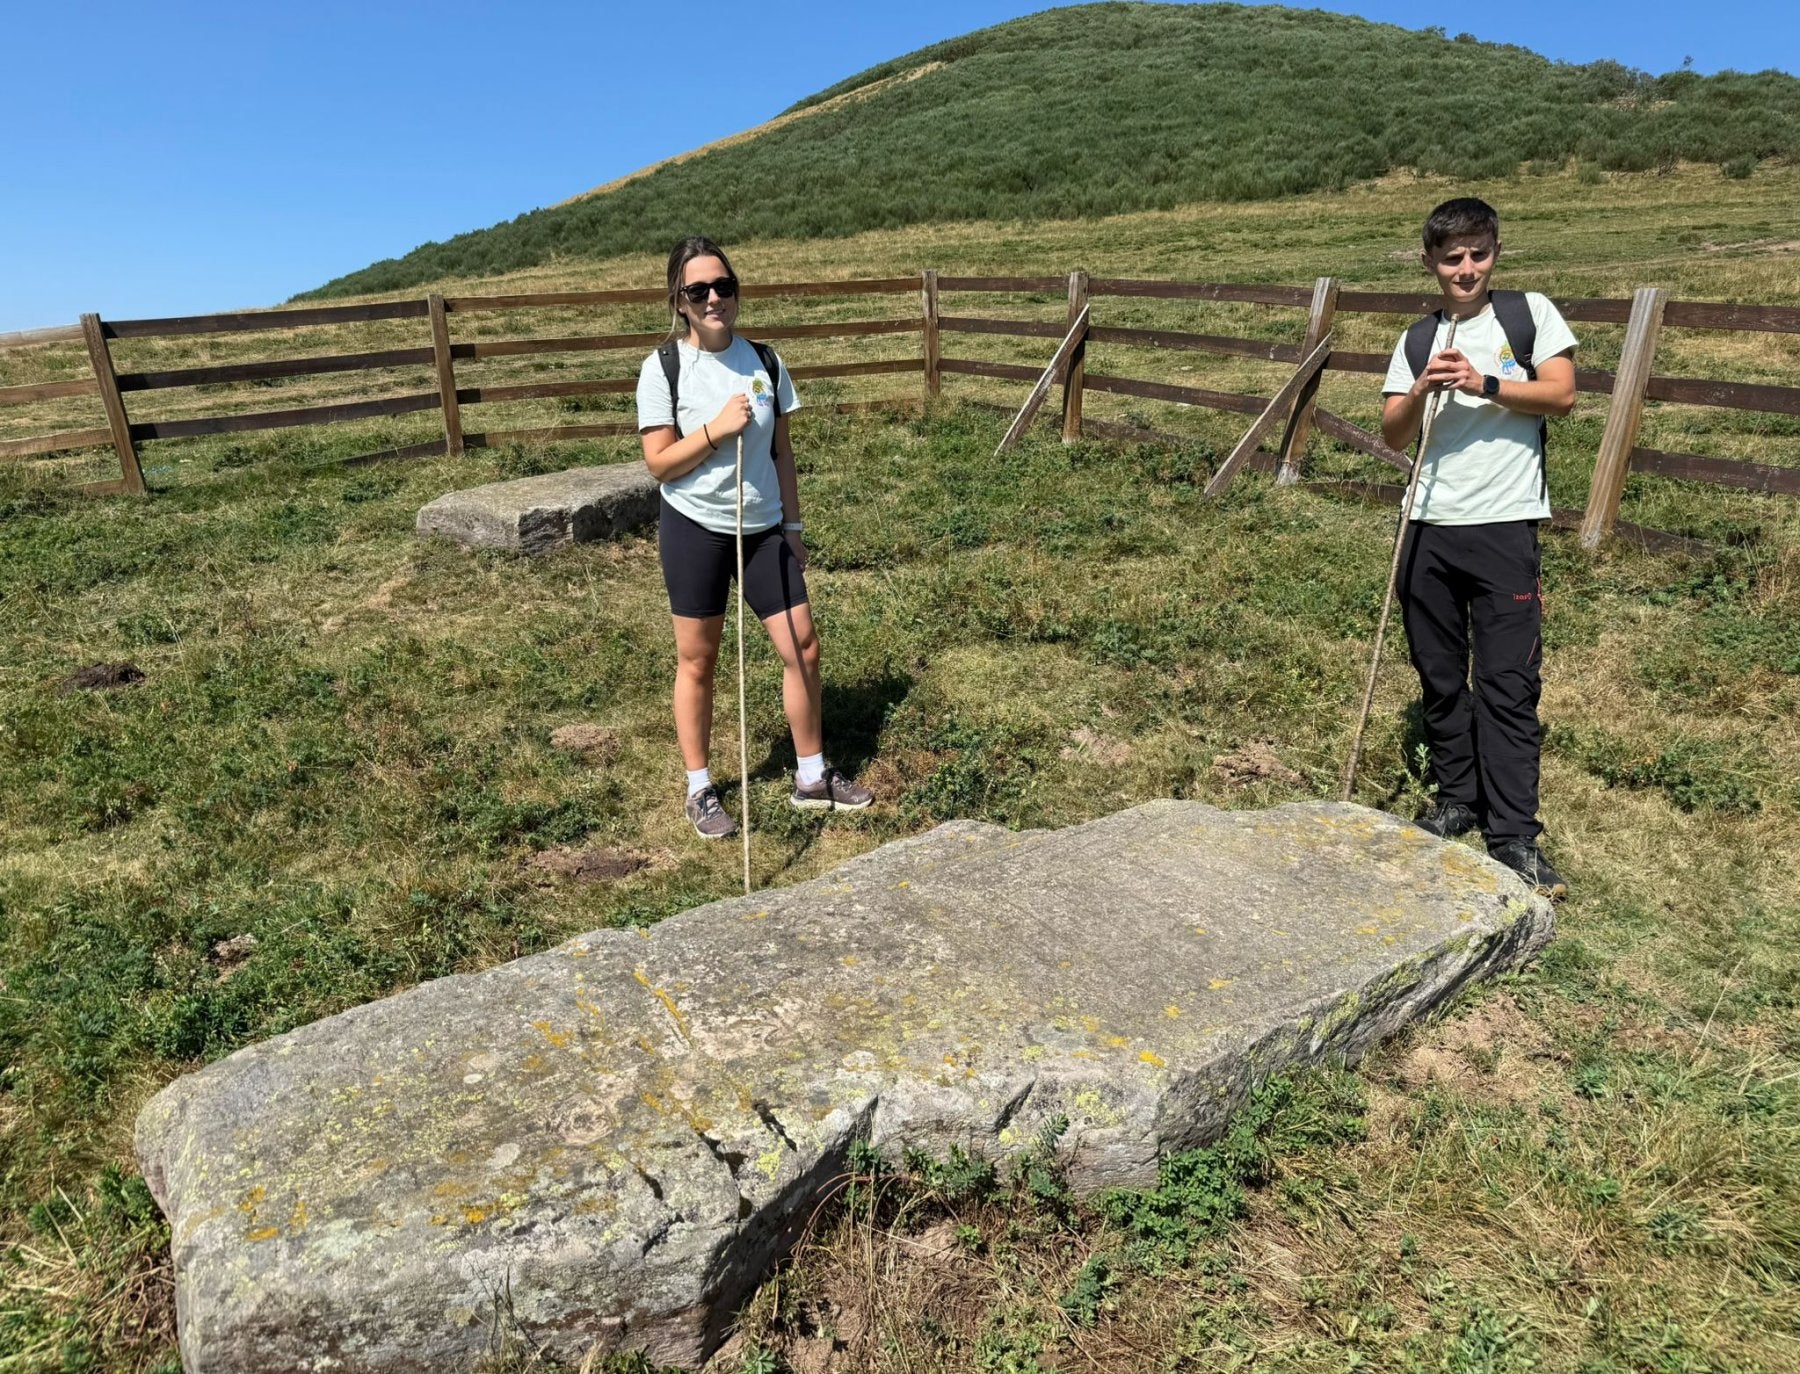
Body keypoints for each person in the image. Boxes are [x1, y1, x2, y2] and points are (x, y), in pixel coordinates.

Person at [636, 235, 873, 839]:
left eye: (724, 286)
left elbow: (782, 452)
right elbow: (659, 464)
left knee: (804, 647)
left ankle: (812, 775)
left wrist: (793, 527)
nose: (715, 297)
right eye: (699, 290)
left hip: (764, 528)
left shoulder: (765, 362)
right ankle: (700, 788)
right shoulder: (664, 368)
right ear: (680, 300)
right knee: (699, 660)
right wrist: (717, 430)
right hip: (694, 528)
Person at [1380, 197, 1576, 898]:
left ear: (1495, 253)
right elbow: (1394, 434)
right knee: (1439, 675)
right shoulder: (1414, 339)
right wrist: (1422, 390)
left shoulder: (1527, 316)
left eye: (1478, 255)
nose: (1466, 269)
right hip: (1427, 526)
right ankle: (1458, 797)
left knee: (1507, 683)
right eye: (1452, 258)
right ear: (1431, 263)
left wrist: (1484, 383)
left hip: (1502, 525)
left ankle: (1515, 834)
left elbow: (1562, 395)